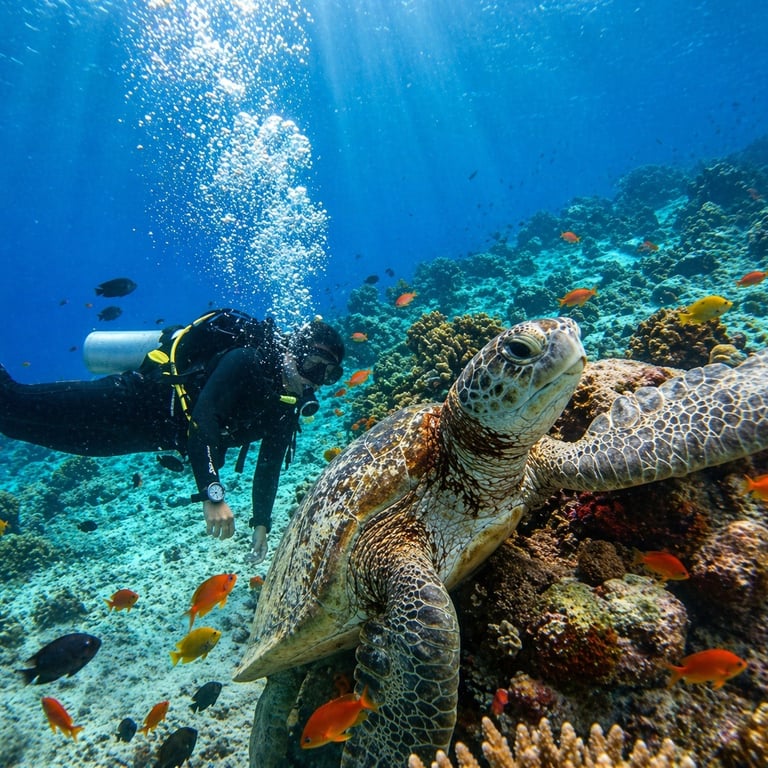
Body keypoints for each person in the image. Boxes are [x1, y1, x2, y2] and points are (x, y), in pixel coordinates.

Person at [0, 311, 345, 563]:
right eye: (314, 367)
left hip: (148, 436)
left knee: (14, 426)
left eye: (330, 376)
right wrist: (213, 494)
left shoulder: (285, 408)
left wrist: (261, 525)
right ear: (293, 353)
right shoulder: (246, 361)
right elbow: (204, 423)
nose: (317, 382)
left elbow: (268, 466)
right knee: (16, 403)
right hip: (132, 399)